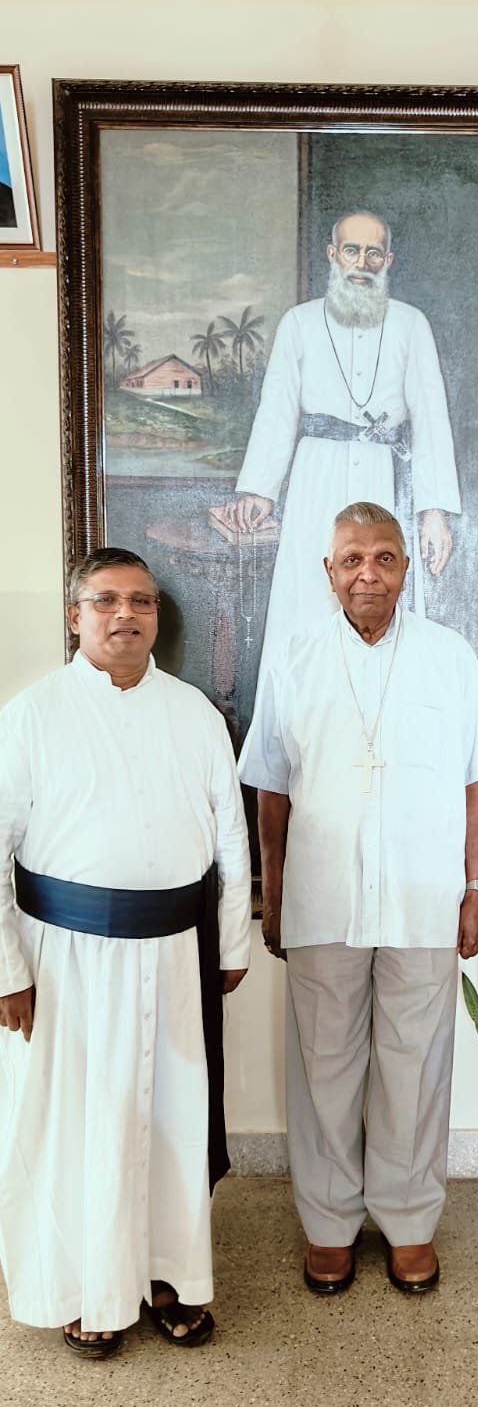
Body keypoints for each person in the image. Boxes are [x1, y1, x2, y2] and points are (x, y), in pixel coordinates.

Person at [0, 548, 252, 1357]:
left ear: (156, 616)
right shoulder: (32, 714)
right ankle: (89, 1290)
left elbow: (231, 838)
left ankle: (171, 1277)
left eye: (140, 601)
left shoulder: (193, 713)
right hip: (65, 960)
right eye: (105, 600)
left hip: (178, 951)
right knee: (86, 1126)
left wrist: (234, 941)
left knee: (171, 1120)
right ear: (76, 615)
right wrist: (7, 970)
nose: (125, 614)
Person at [239, 502, 478, 1295]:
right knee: (325, 1063)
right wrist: (272, 891)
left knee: (415, 1064)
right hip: (322, 896)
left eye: (384, 558)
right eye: (352, 559)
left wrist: (476, 887)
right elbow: (272, 788)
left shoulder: (450, 658)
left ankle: (411, 1220)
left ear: (406, 568)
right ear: (328, 570)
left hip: (424, 898)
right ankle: (329, 1225)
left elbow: (476, 783)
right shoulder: (295, 655)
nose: (368, 574)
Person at [228, 210, 461, 672]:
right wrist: (259, 490)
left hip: (384, 478)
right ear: (334, 256)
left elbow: (432, 422)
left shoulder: (411, 324)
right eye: (352, 250)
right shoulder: (299, 323)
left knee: (380, 602)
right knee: (308, 601)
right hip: (316, 474)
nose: (362, 262)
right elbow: (277, 411)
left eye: (373, 252)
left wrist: (434, 513)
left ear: (388, 260)